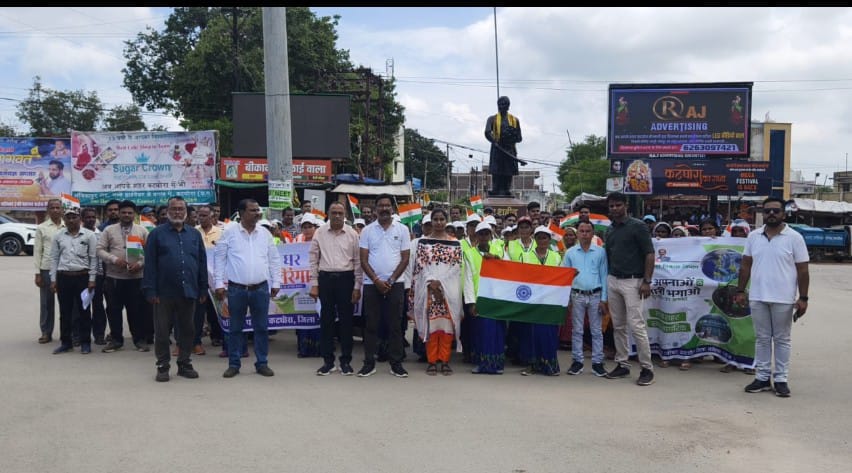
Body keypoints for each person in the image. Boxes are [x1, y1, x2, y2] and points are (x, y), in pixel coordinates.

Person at [736, 197, 809, 398]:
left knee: (782, 339)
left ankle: (781, 379)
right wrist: (740, 291)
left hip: (783, 298)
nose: (771, 214)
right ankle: (761, 377)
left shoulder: (794, 238)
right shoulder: (753, 237)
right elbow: (745, 265)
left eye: (776, 211)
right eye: (767, 210)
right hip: (758, 296)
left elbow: (803, 270)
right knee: (762, 339)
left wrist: (803, 298)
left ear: (783, 214)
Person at [215, 198, 281, 379]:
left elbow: (274, 259)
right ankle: (234, 364)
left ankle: (262, 363)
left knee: (261, 328)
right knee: (235, 328)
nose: (257, 213)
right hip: (236, 289)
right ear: (242, 213)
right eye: (253, 210)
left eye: (258, 210)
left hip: (260, 288)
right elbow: (219, 258)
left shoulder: (265, 234)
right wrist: (219, 284)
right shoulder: (229, 233)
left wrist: (276, 282)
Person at [142, 196, 207, 382]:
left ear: (186, 211)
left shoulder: (194, 234)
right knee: (162, 332)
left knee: (188, 330)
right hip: (163, 292)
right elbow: (150, 264)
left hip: (189, 290)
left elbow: (201, 262)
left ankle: (184, 364)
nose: (177, 212)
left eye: (181, 209)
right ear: (168, 211)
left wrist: (203, 288)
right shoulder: (157, 234)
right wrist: (150, 290)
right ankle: (163, 366)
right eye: (174, 209)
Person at [604, 192, 656, 386]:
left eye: (618, 205)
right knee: (618, 326)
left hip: (633, 282)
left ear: (626, 206)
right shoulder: (609, 230)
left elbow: (649, 254)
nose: (615, 208)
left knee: (636, 325)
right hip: (613, 280)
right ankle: (622, 364)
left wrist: (647, 281)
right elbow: (609, 255)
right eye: (611, 206)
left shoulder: (638, 226)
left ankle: (647, 368)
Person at [358, 194, 411, 378]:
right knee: (371, 325)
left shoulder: (403, 229)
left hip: (395, 284)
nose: (384, 208)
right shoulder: (367, 231)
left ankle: (396, 364)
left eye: (387, 205)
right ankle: (369, 363)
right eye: (380, 205)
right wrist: (376, 280)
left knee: (395, 325)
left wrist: (391, 280)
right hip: (371, 284)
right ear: (375, 209)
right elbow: (363, 260)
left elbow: (405, 258)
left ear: (392, 209)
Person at [310, 202, 363, 376]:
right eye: (334, 212)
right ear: (328, 213)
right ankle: (328, 361)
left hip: (346, 279)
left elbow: (358, 262)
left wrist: (357, 286)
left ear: (345, 214)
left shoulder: (352, 234)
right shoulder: (319, 232)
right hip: (325, 279)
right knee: (326, 321)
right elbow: (313, 260)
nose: (337, 216)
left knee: (346, 322)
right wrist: (314, 284)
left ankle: (346, 361)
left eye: (340, 213)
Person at [409, 209, 463, 376]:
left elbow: (456, 266)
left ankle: (444, 361)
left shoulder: (456, 243)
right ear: (431, 222)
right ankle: (432, 361)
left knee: (447, 328)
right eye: (436, 219)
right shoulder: (422, 243)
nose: (439, 222)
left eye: (442, 219)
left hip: (448, 291)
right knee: (431, 327)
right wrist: (431, 283)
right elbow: (420, 265)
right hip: (428, 290)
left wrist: (441, 284)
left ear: (446, 221)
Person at [98, 200, 151, 353]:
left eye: (130, 213)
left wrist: (140, 264)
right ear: (119, 213)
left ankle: (139, 340)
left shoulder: (142, 231)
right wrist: (114, 259)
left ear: (135, 215)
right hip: (114, 277)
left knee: (136, 310)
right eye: (123, 212)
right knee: (113, 310)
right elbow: (99, 250)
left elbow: (150, 252)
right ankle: (116, 340)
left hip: (136, 278)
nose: (126, 215)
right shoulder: (108, 230)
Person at [49, 204, 98, 354]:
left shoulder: (89, 235)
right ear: (64, 219)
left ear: (80, 219)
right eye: (68, 217)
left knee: (84, 311)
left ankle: (85, 343)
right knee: (65, 312)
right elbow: (54, 258)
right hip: (64, 278)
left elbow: (93, 258)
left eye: (74, 217)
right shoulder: (58, 236)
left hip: (82, 277)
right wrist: (53, 279)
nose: (71, 220)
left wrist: (92, 279)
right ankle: (66, 342)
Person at [562, 221, 609, 377]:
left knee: (596, 331)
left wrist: (604, 299)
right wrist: (567, 299)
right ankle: (577, 361)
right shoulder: (570, 253)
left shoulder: (600, 252)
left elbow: (604, 275)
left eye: (587, 231)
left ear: (592, 233)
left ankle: (597, 362)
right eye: (581, 231)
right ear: (577, 234)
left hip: (595, 294)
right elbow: (565, 276)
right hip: (577, 295)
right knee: (577, 330)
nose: (584, 234)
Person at [517, 226, 562, 376]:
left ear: (549, 240)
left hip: (550, 301)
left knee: (549, 333)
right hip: (532, 300)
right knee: (532, 333)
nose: (542, 240)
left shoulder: (556, 257)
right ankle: (533, 365)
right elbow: (520, 277)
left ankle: (550, 365)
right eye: (539, 238)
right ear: (535, 239)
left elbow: (561, 277)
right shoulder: (525, 256)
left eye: (545, 238)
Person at [465, 221, 506, 374]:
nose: (483, 237)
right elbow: (468, 279)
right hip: (480, 299)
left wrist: (497, 259)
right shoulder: (470, 253)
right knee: (481, 332)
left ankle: (497, 364)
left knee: (497, 332)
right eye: (480, 234)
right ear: (476, 235)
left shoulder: (499, 250)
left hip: (497, 298)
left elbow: (508, 268)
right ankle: (482, 363)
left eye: (486, 234)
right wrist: (471, 303)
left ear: (490, 235)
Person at [34, 198, 64, 343]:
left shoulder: (68, 225)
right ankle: (46, 332)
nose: (55, 210)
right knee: (46, 302)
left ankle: (69, 333)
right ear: (48, 210)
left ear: (62, 209)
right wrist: (37, 273)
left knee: (67, 302)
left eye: (58, 207)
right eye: (52, 207)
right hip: (46, 269)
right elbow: (37, 251)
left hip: (65, 269)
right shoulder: (42, 228)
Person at [195, 204, 223, 350]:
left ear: (212, 216)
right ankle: (196, 340)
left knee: (214, 309)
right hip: (197, 277)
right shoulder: (193, 232)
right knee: (198, 310)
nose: (201, 218)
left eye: (205, 215)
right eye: (199, 215)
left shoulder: (221, 233)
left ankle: (217, 336)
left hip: (215, 277)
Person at [484, 96, 522, 196]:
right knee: (497, 171)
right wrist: (494, 141)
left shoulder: (515, 120)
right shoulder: (492, 119)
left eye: (504, 104)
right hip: (497, 148)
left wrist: (511, 136)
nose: (501, 106)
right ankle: (495, 189)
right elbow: (487, 132)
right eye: (500, 104)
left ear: (508, 106)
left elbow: (519, 138)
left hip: (509, 149)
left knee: (508, 171)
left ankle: (506, 189)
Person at [81, 207, 107, 345]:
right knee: (81, 305)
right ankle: (80, 335)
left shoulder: (102, 235)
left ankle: (99, 334)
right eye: (87, 217)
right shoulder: (78, 234)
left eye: (93, 217)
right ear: (82, 219)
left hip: (98, 275)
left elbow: (103, 256)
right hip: (81, 274)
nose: (90, 219)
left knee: (98, 305)